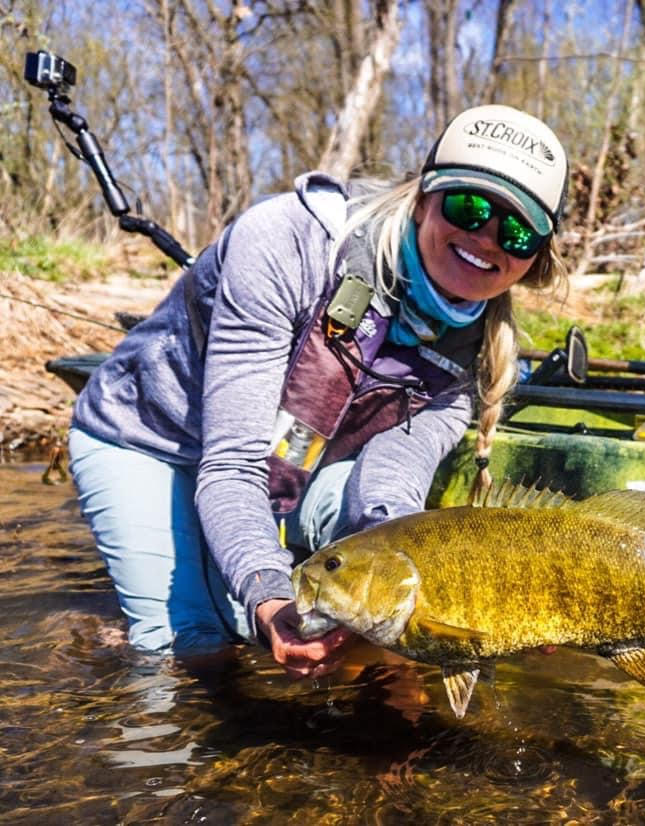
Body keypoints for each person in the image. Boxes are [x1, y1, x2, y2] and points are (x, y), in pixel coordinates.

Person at [68, 104, 569, 679]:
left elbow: (387, 490)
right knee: (193, 646)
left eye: (516, 231)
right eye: (470, 206)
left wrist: (442, 597)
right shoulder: (288, 243)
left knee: (356, 604)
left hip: (296, 464)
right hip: (148, 440)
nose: (485, 238)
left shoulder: (474, 360)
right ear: (423, 195)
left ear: (535, 258)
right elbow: (231, 464)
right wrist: (267, 594)